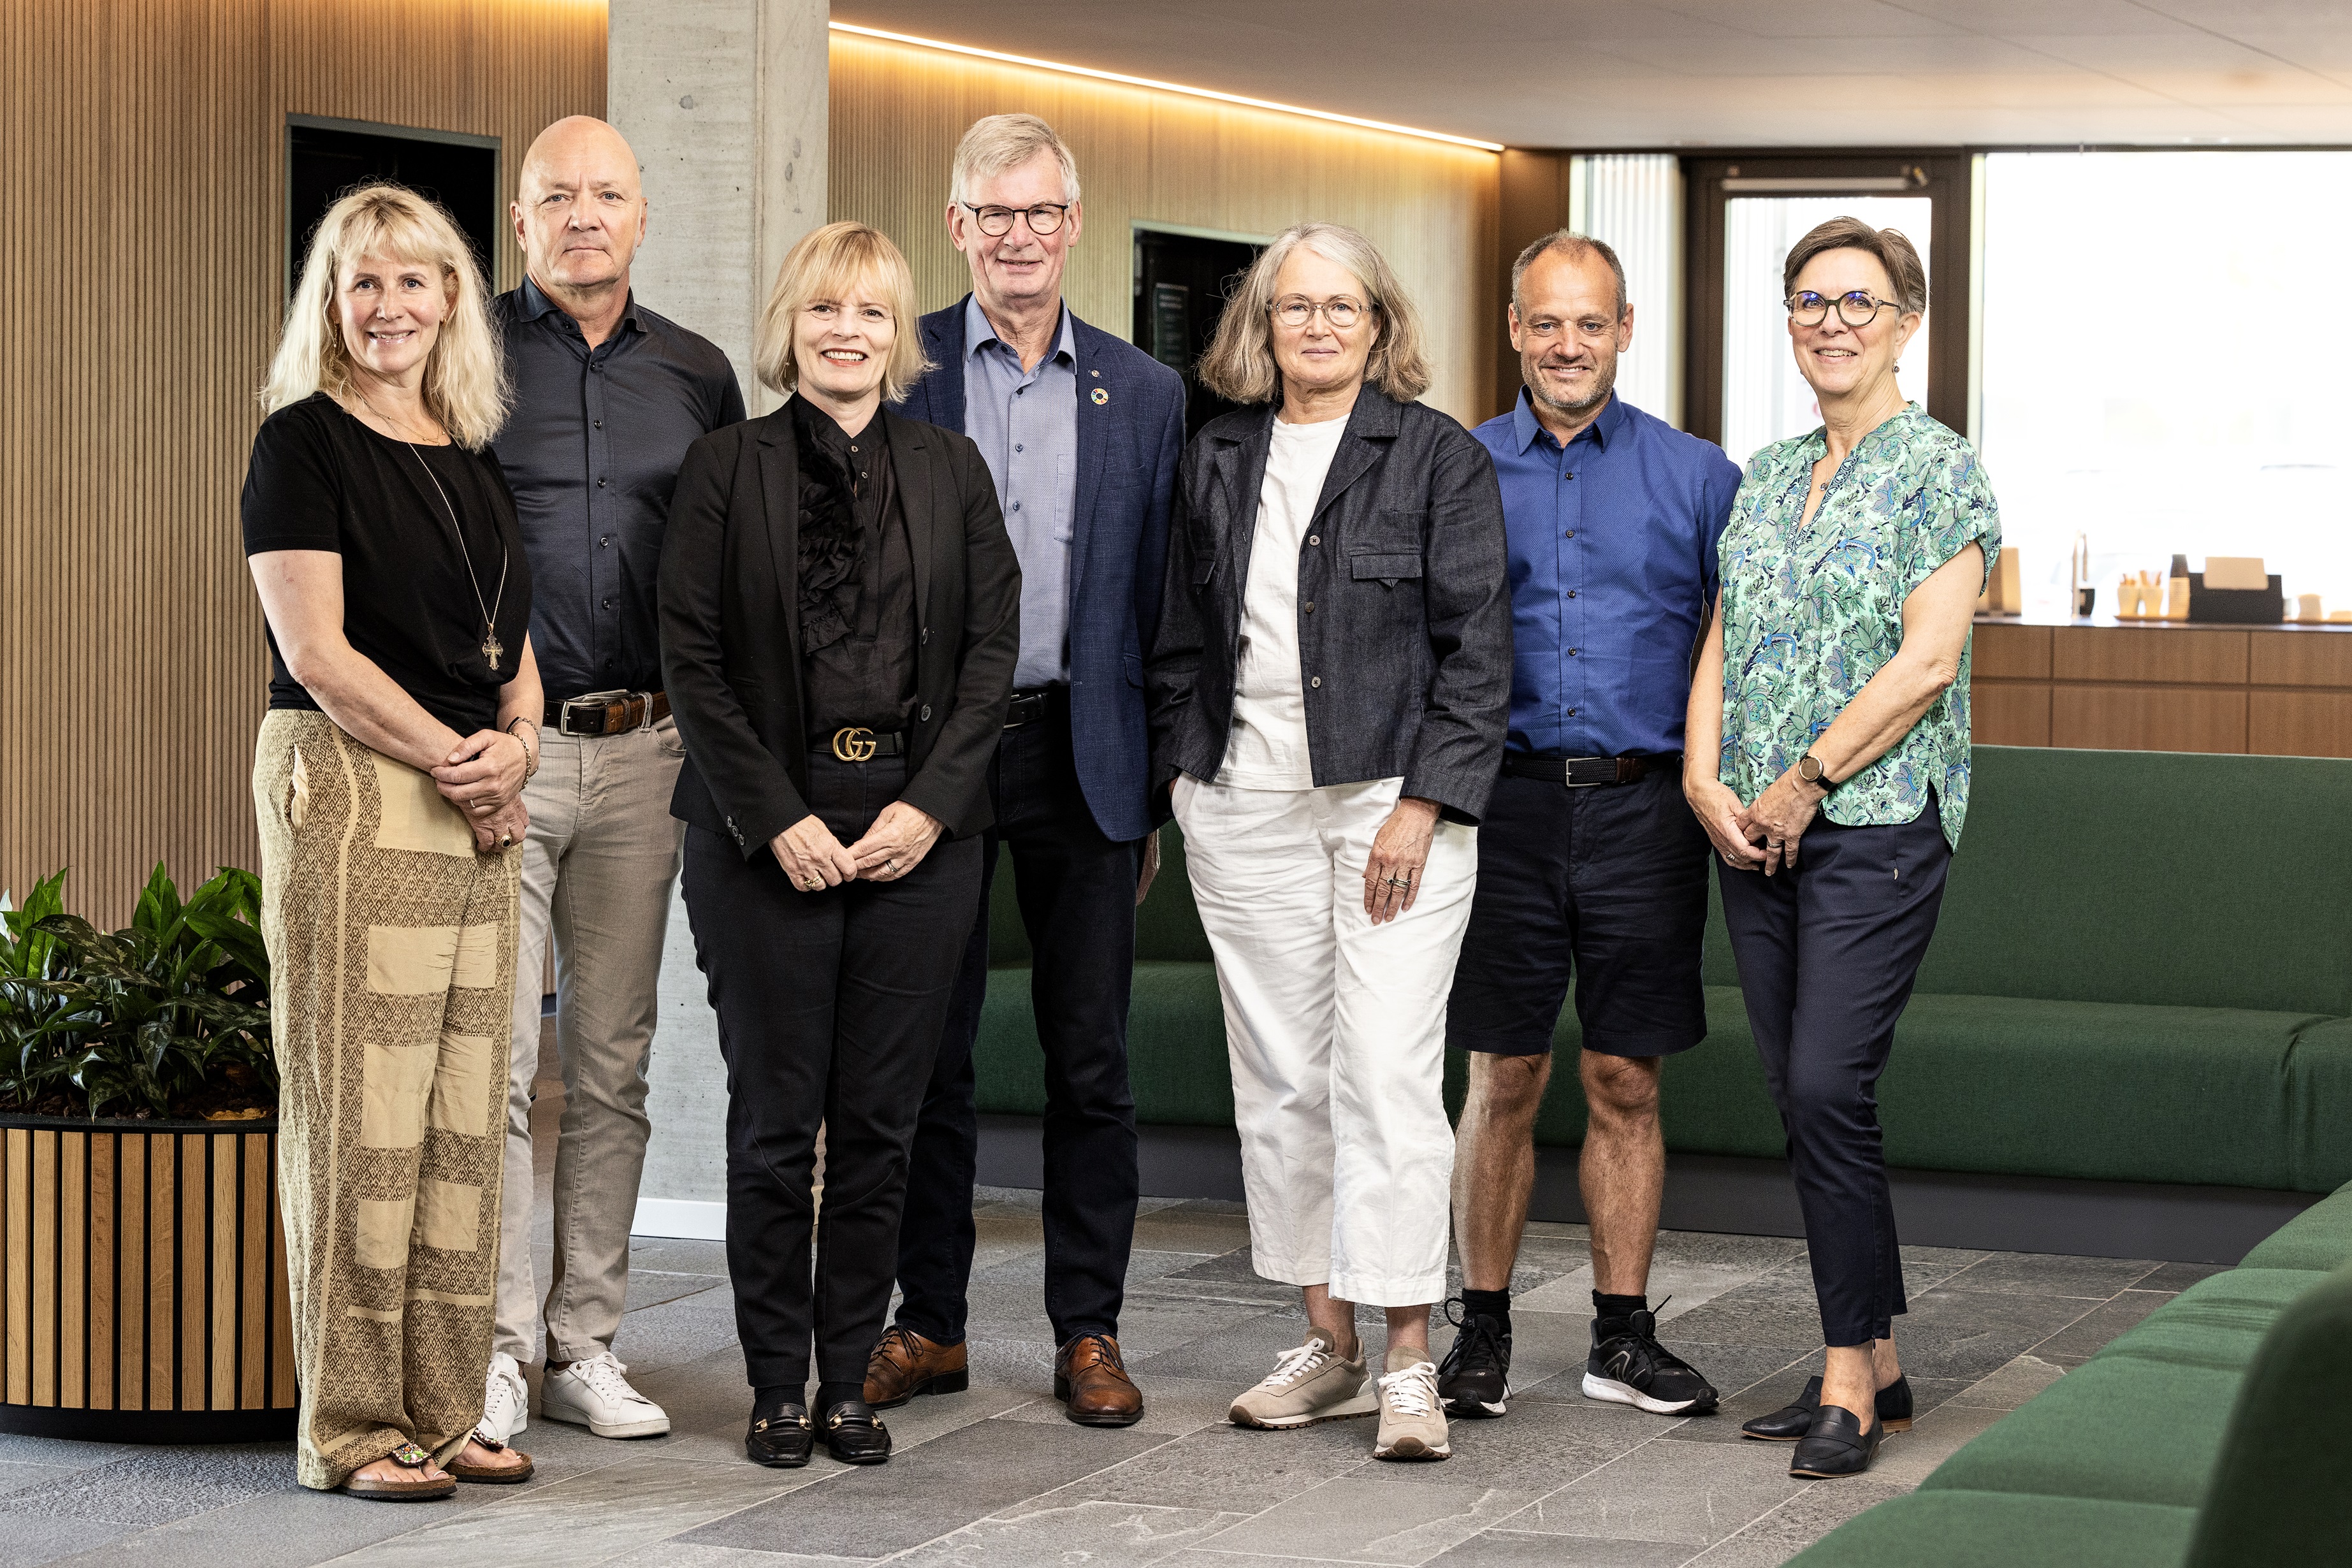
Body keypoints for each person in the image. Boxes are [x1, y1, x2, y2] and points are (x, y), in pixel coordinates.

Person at [1147, 222, 1511, 1463]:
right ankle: (1332, 1343)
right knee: (1285, 1079)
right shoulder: (1219, 455)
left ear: (1379, 325)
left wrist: (1426, 800)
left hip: (1388, 808)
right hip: (1245, 804)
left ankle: (1413, 1350)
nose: (1315, 325)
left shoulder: (1434, 458)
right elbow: (1178, 637)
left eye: (1339, 306)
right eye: (1293, 306)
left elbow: (1478, 653)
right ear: (1262, 327)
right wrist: (1186, 785)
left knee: (1389, 1074)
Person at [660, 221, 1019, 1469]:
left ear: (898, 332)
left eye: (871, 311)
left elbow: (991, 658)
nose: (847, 331)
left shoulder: (952, 472)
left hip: (925, 838)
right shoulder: (722, 470)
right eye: (824, 310)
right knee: (772, 1123)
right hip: (764, 839)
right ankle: (774, 1387)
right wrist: (779, 819)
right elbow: (691, 666)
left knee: (881, 1126)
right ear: (790, 327)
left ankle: (848, 1385)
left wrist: (928, 806)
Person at [873, 113, 1184, 1428]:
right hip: (934, 758)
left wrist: (1160, 787)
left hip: (1085, 751)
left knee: (1090, 1061)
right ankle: (930, 1324)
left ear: (1074, 226)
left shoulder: (1146, 393)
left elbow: (1165, 605)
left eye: (1040, 214)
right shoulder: (898, 371)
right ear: (958, 228)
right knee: (927, 1057)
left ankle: (1089, 1330)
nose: (1017, 237)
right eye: (993, 215)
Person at [1685, 216, 1998, 1480]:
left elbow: (1927, 662)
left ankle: (1847, 1379)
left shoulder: (1941, 471)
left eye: (1858, 302)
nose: (1831, 321)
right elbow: (1721, 632)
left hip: (1872, 824)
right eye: (1811, 300)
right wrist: (1702, 774)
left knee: (1827, 1087)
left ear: (1905, 322)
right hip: (1751, 832)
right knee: (1805, 1098)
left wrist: (1809, 779)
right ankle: (1880, 1364)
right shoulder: (1764, 472)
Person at [244, 184, 539, 1498]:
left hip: (477, 795)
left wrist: (518, 746)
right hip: (358, 783)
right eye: (363, 283)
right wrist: (461, 762)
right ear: (331, 302)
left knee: (463, 1124)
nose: (389, 307)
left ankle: (444, 1407)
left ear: (453, 301)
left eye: (414, 281)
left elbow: (513, 647)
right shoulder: (299, 444)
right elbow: (317, 653)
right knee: (361, 1122)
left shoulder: (470, 450)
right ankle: (354, 1429)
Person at [1438, 233, 1741, 1423]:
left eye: (1591, 323)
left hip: (1646, 811)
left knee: (1624, 1076)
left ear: (1625, 330)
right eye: (1545, 323)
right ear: (1514, 329)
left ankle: (1622, 1338)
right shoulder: (1455, 466)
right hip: (1499, 807)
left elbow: (1742, 648)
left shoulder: (1698, 477)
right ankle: (1482, 1333)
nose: (1568, 345)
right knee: (1502, 1072)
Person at [479, 115, 745, 1449]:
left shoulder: (698, 378)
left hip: (646, 753)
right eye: (556, 197)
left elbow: (726, 570)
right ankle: (497, 1344)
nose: (584, 216)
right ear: (520, 221)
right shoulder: (468, 360)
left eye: (607, 195)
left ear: (643, 216)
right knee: (497, 1067)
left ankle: (586, 1340)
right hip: (504, 763)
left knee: (612, 1062)